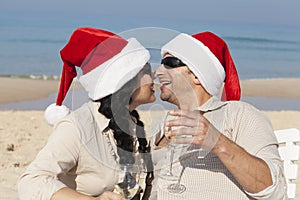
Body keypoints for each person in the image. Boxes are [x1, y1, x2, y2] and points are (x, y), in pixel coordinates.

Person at [18, 27, 156, 200]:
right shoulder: (76, 128)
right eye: (147, 70)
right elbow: (31, 181)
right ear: (126, 81)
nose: (155, 75)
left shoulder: (134, 123)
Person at [153, 31, 287, 199]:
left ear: (196, 74)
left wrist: (218, 143)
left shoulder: (238, 114)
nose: (158, 72)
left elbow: (275, 190)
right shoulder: (162, 125)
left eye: (169, 63)